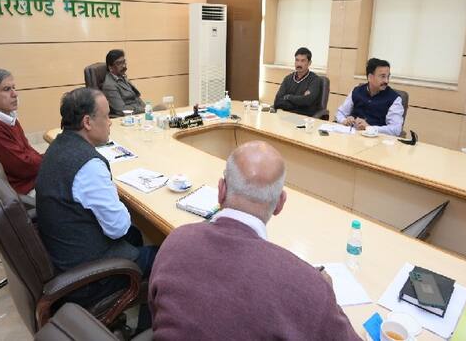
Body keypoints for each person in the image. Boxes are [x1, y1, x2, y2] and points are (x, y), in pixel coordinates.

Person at [149, 141, 361, 341]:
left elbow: (156, 313)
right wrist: (326, 297)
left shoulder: (175, 241)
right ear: (280, 203)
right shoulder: (307, 285)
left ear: (221, 191)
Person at [35, 87, 156, 316]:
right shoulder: (89, 166)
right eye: (107, 116)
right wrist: (114, 196)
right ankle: (149, 325)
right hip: (87, 279)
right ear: (88, 122)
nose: (110, 123)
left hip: (65, 254)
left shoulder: (59, 145)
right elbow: (118, 227)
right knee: (168, 255)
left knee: (135, 235)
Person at [0, 68, 42, 196]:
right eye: (7, 89)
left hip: (31, 180)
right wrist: (50, 159)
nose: (15, 94)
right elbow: (24, 166)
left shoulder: (8, 117)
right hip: (22, 192)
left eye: (14, 88)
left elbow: (28, 151)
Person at [336, 58, 404, 136]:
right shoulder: (357, 91)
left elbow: (396, 129)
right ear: (370, 77)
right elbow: (340, 113)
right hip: (352, 135)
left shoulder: (394, 99)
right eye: (382, 76)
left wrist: (369, 127)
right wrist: (344, 121)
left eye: (388, 76)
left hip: (376, 139)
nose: (386, 81)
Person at [273, 47, 323, 116]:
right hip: (286, 116)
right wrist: (299, 103)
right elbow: (277, 101)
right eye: (297, 60)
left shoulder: (315, 80)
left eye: (303, 61)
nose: (299, 64)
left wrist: (288, 97)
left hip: (304, 118)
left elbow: (307, 101)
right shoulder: (288, 78)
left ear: (309, 63)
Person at [102, 49, 146, 117]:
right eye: (119, 63)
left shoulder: (122, 77)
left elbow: (136, 97)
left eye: (124, 62)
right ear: (110, 68)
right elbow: (121, 109)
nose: (123, 66)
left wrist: (146, 107)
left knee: (161, 107)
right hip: (129, 117)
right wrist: (142, 109)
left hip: (139, 112)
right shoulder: (109, 85)